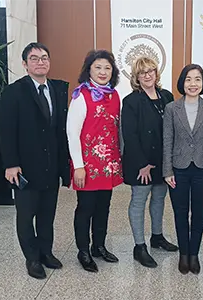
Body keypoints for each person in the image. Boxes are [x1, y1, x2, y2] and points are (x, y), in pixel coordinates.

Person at [0, 42, 70, 279]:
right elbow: (6, 130)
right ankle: (32, 258)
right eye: (35, 58)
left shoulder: (58, 89)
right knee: (26, 215)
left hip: (51, 166)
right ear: (25, 64)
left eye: (44, 58)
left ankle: (45, 252)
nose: (41, 62)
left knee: (47, 214)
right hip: (25, 167)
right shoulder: (14, 91)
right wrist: (10, 163)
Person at [67, 50, 123, 273]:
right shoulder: (81, 95)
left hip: (108, 165)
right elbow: (72, 133)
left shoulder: (114, 95)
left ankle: (98, 245)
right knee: (86, 208)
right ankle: (83, 251)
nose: (102, 72)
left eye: (107, 68)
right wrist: (78, 166)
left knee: (104, 207)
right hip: (87, 166)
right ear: (89, 69)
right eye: (98, 67)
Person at [163, 64, 203, 275]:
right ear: (182, 82)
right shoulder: (171, 108)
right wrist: (167, 170)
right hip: (178, 168)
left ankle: (194, 254)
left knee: (199, 212)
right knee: (179, 213)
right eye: (188, 79)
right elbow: (167, 139)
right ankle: (183, 254)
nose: (193, 84)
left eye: (197, 79)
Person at [122, 56, 178, 269]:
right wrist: (142, 164)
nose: (147, 75)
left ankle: (157, 237)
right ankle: (139, 247)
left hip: (162, 160)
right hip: (141, 162)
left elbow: (172, 130)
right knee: (139, 201)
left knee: (159, 199)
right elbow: (130, 135)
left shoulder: (166, 96)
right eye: (142, 72)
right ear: (136, 76)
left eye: (151, 71)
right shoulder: (131, 101)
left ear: (156, 73)